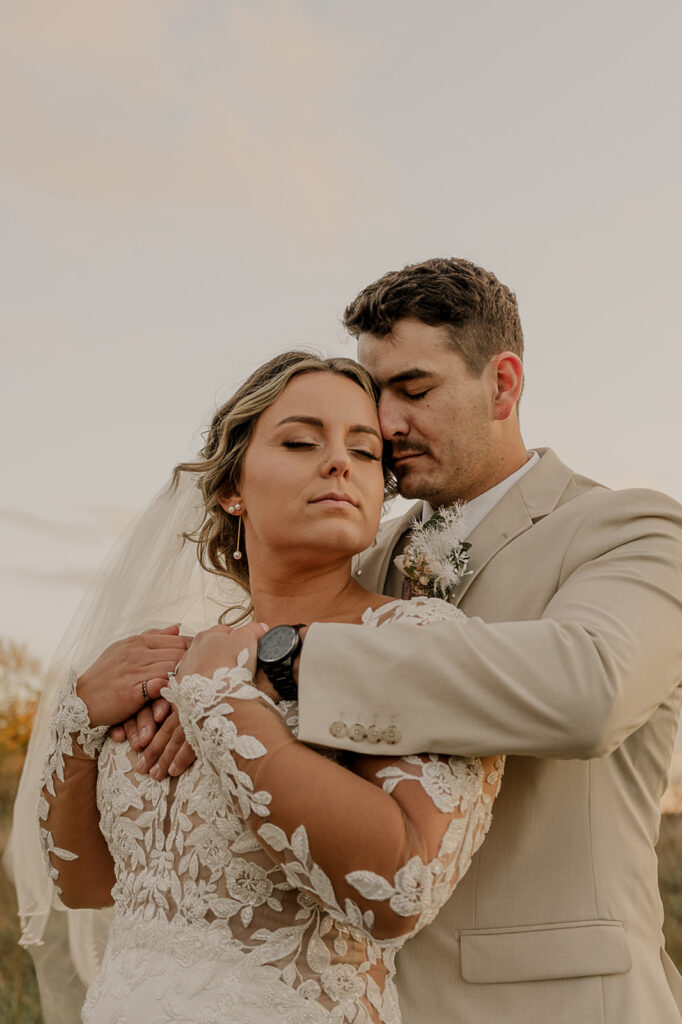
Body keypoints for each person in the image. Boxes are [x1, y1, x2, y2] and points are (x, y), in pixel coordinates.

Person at [26, 351, 504, 1023]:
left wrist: (221, 704)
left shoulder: (411, 638)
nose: (339, 462)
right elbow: (87, 884)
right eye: (301, 441)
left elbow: (400, 890)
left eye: (365, 452)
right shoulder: (175, 657)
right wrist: (77, 723)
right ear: (232, 489)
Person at [288, 258, 682, 1024]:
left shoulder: (632, 530)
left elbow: (589, 692)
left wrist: (299, 666)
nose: (386, 423)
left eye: (415, 389)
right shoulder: (361, 554)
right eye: (375, 395)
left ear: (503, 385)